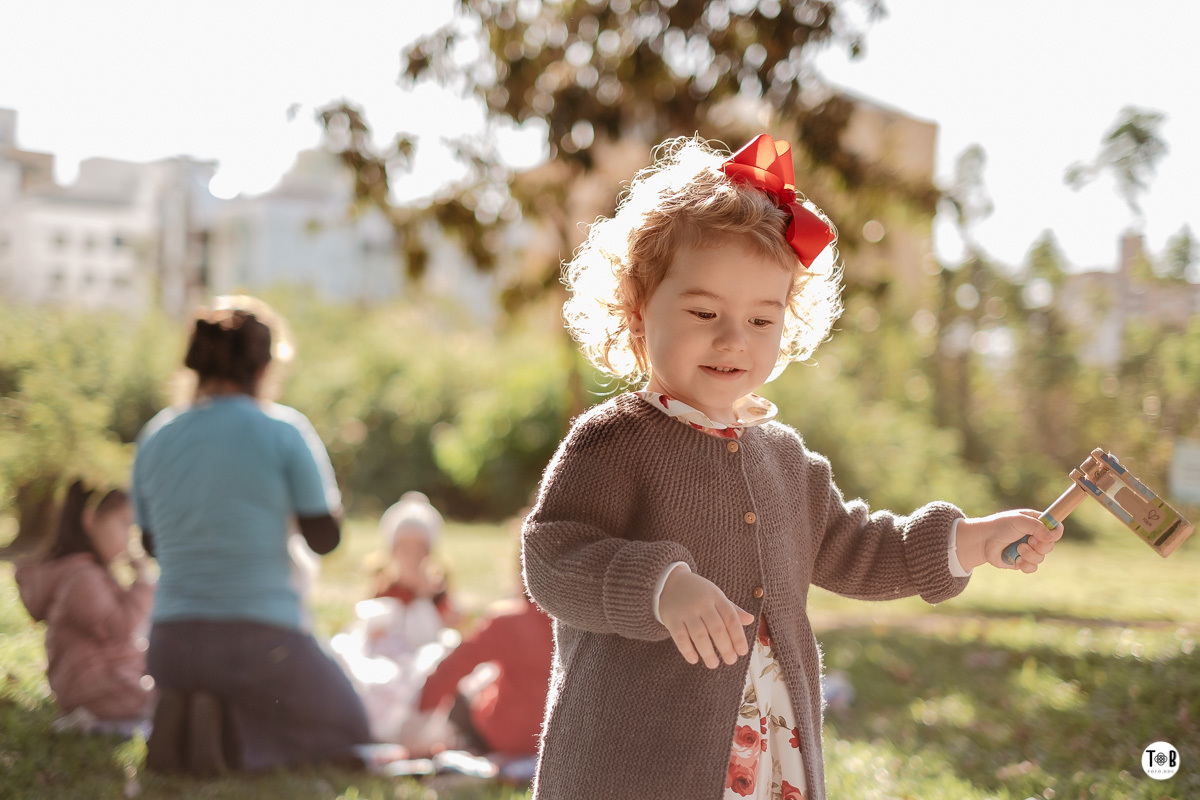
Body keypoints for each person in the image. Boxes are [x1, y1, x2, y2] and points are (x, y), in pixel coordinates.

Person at [520, 134, 1063, 800]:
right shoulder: (614, 440)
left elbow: (858, 548)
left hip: (768, 759)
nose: (732, 339)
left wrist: (969, 541)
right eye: (703, 312)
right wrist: (659, 586)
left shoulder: (784, 459)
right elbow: (552, 557)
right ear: (637, 313)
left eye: (761, 320)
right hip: (634, 765)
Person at [131, 296, 370, 774]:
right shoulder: (284, 430)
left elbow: (152, 545)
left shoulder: (155, 435)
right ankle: (230, 736)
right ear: (264, 366)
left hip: (170, 644)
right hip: (261, 642)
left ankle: (188, 718)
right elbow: (325, 539)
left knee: (233, 684)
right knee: (349, 727)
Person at [15, 480, 155, 735]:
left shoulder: (88, 573)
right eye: (124, 524)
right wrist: (143, 581)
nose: (129, 539)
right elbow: (119, 629)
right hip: (101, 693)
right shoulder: (82, 577)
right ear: (90, 519)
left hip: (102, 688)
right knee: (176, 698)